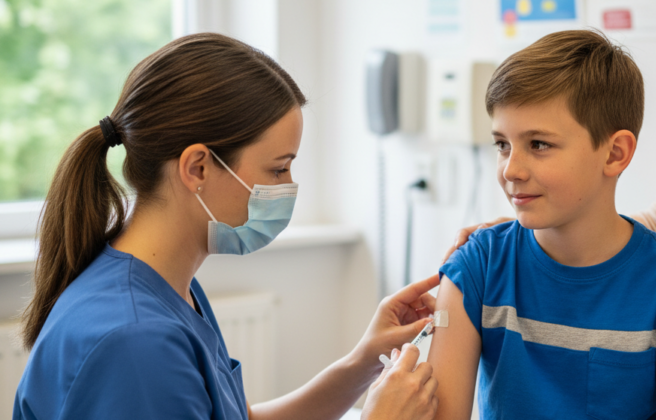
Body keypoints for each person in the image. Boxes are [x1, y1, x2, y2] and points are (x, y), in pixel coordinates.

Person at [13, 33, 438, 420]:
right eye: (278, 169)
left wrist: (363, 364)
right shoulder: (137, 341)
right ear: (197, 167)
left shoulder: (171, 289)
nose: (288, 187)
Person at [446, 2, 656, 419]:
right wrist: (533, 232)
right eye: (502, 145)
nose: (511, 170)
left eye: (539, 144)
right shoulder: (480, 263)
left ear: (616, 152)